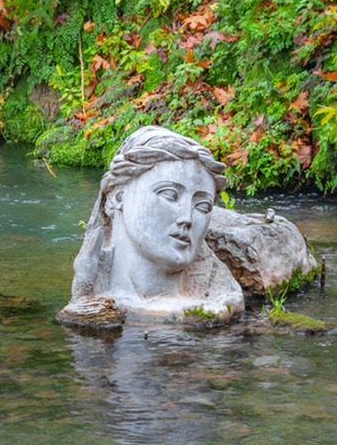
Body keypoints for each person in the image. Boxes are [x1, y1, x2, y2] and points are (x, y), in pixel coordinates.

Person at [60, 126, 243, 326]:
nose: (187, 218)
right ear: (118, 196)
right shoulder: (92, 300)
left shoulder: (218, 307)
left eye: (202, 206)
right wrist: (83, 296)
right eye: (170, 195)